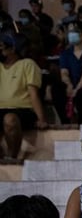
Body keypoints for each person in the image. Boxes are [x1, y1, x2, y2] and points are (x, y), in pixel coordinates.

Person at [0, 33, 47, 161]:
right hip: (1, 109)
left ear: (13, 49)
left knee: (10, 119)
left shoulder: (27, 64)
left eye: (1, 47)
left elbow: (33, 93)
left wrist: (41, 119)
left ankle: (12, 157)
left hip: (23, 110)